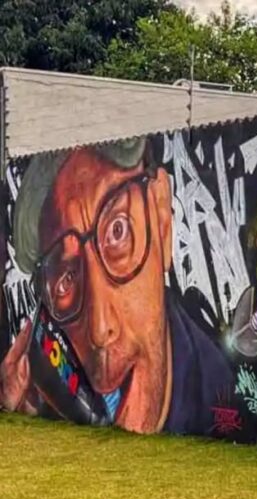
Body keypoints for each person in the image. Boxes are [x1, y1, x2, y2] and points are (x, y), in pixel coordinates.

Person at [0, 138, 235, 436]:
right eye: (67, 278)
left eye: (117, 230)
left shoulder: (223, 402)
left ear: (162, 218)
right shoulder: (62, 406)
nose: (100, 329)